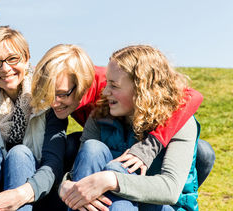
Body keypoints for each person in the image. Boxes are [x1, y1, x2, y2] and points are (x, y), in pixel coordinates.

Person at [30, 44, 214, 186]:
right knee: (69, 145)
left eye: (62, 94)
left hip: (139, 142)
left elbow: (192, 96)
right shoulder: (59, 87)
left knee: (203, 152)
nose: (53, 102)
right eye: (48, 95)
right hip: (105, 145)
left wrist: (150, 145)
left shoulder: (108, 84)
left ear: (81, 85)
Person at [59, 45, 201, 210]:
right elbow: (81, 169)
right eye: (107, 83)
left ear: (142, 89)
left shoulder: (180, 122)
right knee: (92, 148)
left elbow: (170, 190)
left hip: (164, 206)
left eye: (114, 85)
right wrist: (65, 185)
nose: (105, 92)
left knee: (117, 169)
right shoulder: (99, 115)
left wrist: (112, 180)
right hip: (109, 205)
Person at [0, 26, 68, 211]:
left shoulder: (49, 99)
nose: (5, 68)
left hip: (34, 194)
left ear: (26, 58)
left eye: (13, 58)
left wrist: (20, 194)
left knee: (19, 154)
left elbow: (53, 163)